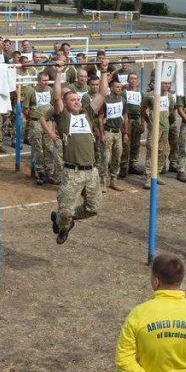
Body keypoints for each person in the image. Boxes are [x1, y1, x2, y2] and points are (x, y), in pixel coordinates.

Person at [45, 59, 108, 244]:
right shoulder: (63, 118)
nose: (77, 102)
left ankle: (67, 221)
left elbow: (103, 93)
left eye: (78, 100)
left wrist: (104, 71)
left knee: (93, 208)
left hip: (91, 171)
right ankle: (64, 225)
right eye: (72, 100)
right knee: (65, 210)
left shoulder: (88, 113)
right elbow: (56, 98)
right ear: (66, 104)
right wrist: (58, 74)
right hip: (72, 172)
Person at [23, 70, 60, 186]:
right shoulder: (30, 91)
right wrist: (31, 119)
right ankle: (40, 172)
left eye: (47, 80)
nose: (45, 82)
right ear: (38, 81)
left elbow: (53, 105)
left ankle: (49, 172)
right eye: (43, 80)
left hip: (48, 122)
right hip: (36, 122)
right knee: (38, 148)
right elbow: (25, 109)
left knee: (49, 147)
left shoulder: (50, 90)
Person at [141, 79, 174, 190]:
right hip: (154, 130)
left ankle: (158, 173)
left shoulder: (170, 96)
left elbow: (170, 110)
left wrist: (163, 120)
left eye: (169, 84)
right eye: (165, 83)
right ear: (159, 84)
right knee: (151, 152)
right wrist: (150, 122)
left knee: (163, 152)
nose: (167, 85)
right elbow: (143, 110)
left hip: (165, 128)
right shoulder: (150, 96)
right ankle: (148, 177)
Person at [101, 76, 129, 191]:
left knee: (117, 156)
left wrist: (125, 133)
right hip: (108, 131)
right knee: (105, 158)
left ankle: (113, 180)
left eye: (120, 87)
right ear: (111, 88)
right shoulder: (105, 100)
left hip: (118, 133)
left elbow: (125, 117)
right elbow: (100, 118)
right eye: (117, 87)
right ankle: (103, 182)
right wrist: (102, 134)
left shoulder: (122, 100)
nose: (119, 89)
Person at [125, 72, 145, 177]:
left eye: (135, 79)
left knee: (136, 143)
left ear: (137, 81)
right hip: (127, 120)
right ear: (128, 81)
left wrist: (143, 123)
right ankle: (123, 165)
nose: (133, 80)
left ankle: (133, 165)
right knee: (126, 143)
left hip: (137, 120)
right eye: (131, 78)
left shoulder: (141, 94)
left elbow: (142, 110)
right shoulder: (124, 93)